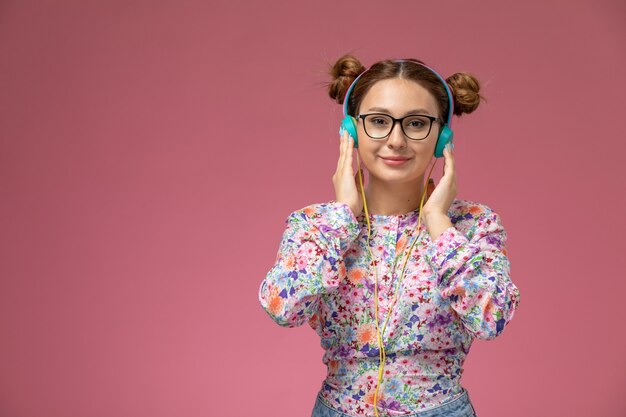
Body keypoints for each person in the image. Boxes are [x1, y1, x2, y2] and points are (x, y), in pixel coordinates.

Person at [258, 54, 521, 417]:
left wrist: (438, 223)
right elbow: (282, 308)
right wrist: (341, 217)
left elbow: (492, 318)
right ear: (351, 131)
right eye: (379, 121)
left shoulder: (473, 224)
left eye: (416, 123)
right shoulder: (317, 225)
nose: (396, 140)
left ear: (442, 136)